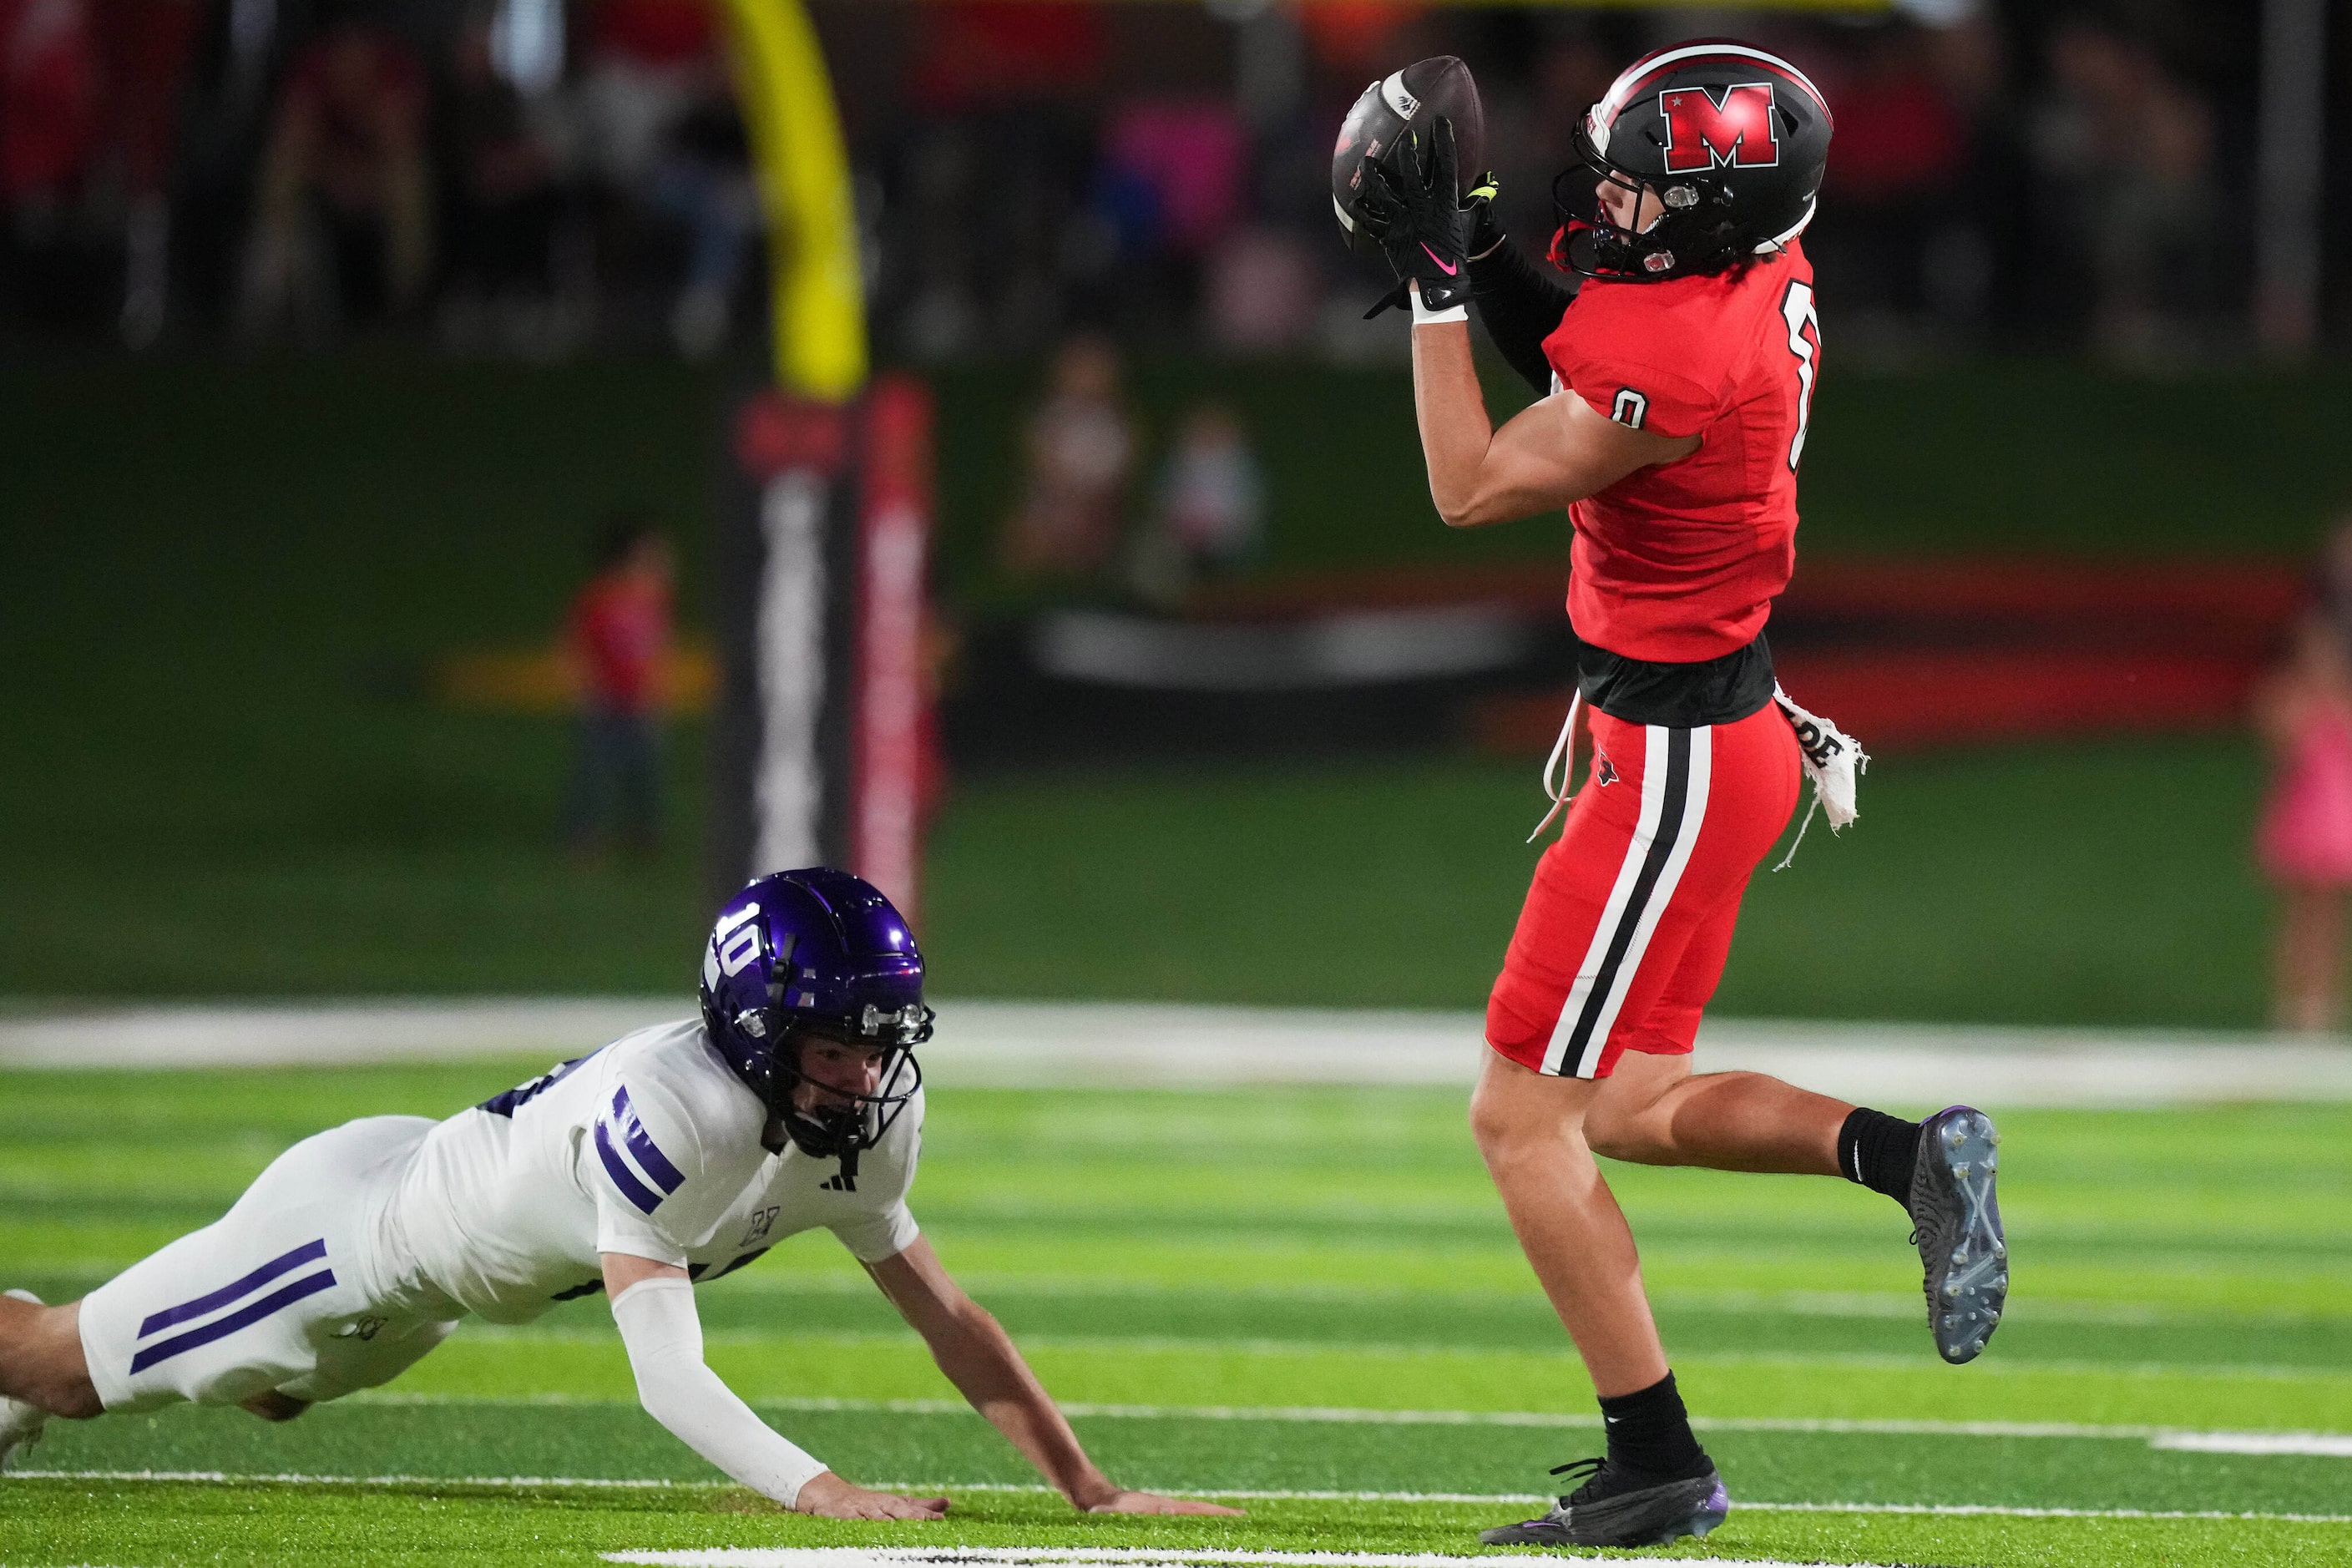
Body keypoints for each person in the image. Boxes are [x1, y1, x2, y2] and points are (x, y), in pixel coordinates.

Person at [1346, 40, 2006, 1550]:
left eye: (1648, 186)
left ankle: (1654, 1460)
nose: (1619, 202)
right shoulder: (1738, 275)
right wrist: (1485, 253)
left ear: (1718, 212)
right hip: (1718, 727)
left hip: (1676, 761)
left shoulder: (1697, 352)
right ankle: (1909, 1159)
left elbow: (1472, 479)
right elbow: (1590, 345)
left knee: (1520, 1117)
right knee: (1629, 1103)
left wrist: (1438, 287)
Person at [0, 868, 1238, 1521]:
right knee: (58, 1366)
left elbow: (945, 1316)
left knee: (271, 1399)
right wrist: (820, 1488)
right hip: (348, 1239)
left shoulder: (867, 1117)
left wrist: (1090, 1485)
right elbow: (665, 1374)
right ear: (758, 1030)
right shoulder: (675, 1109)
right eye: (835, 1045)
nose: (867, 1075)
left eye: (881, 1041)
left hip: (448, 1291)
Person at [2255, 608, 2352, 1032]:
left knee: (2331, 916)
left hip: (2340, 814)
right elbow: (2282, 744)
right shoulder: (2285, 696)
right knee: (2300, 914)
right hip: (2306, 810)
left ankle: (2324, 1003)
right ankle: (2293, 1004)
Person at [565, 512, 674, 857]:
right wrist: (587, 688)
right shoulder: (602, 597)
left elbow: (656, 647)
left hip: (639, 702)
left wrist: (656, 692)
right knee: (594, 772)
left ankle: (641, 836)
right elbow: (576, 643)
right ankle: (581, 837)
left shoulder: (652, 597)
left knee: (643, 773)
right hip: (605, 702)